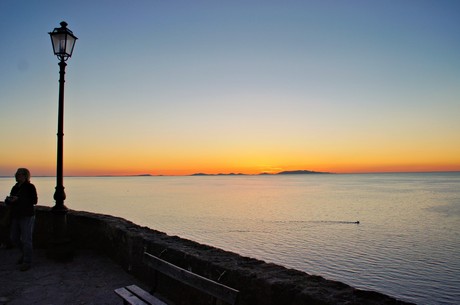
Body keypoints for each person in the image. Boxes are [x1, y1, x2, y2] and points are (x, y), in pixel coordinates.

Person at [5, 168, 38, 271]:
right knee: (14, 237)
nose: (17, 176)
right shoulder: (15, 187)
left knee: (26, 239)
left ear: (25, 176)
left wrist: (19, 199)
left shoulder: (30, 187)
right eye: (17, 174)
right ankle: (24, 254)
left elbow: (34, 201)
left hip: (27, 215)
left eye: (20, 174)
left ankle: (27, 261)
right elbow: (11, 201)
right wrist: (9, 200)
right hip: (16, 215)